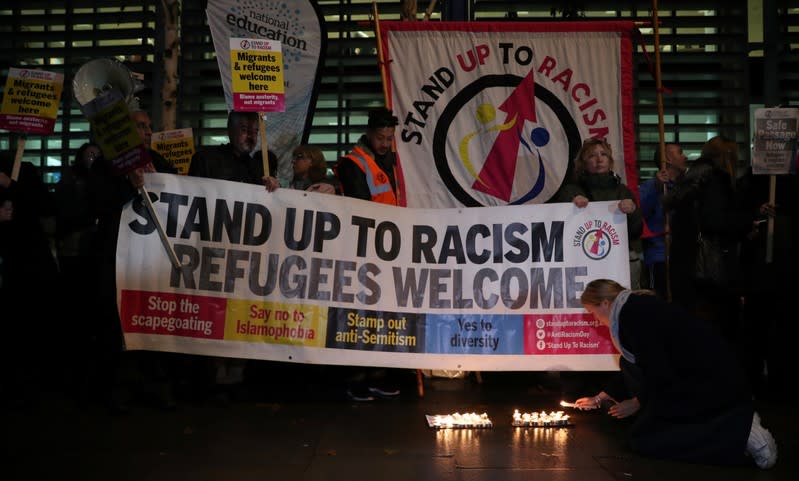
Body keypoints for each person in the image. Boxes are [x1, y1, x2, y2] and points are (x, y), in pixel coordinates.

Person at [575, 278, 777, 469]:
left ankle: (742, 432)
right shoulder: (634, 307)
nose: (596, 320)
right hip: (700, 377)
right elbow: (640, 363)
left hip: (705, 383)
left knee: (645, 441)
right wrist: (602, 396)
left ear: (605, 303)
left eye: (592, 313)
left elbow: (656, 366)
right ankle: (735, 427)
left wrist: (638, 402)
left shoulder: (633, 316)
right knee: (641, 434)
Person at [188, 110, 278, 403]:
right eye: (244, 128)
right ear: (229, 131)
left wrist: (274, 190)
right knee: (214, 313)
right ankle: (214, 377)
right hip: (213, 251)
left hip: (247, 256)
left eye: (254, 130)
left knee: (242, 314)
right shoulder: (207, 159)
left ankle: (236, 377)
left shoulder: (263, 164)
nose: (250, 135)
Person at [662, 135, 774, 343]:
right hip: (710, 265)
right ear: (727, 156)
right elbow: (717, 220)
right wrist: (749, 221)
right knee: (720, 327)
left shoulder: (691, 180)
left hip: (685, 264)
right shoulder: (715, 179)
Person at [335, 107, 404, 401]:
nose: (386, 143)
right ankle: (356, 379)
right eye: (381, 138)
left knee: (385, 315)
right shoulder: (354, 163)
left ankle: (378, 374)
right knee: (360, 316)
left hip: (391, 249)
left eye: (389, 138)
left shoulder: (395, 161)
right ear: (369, 134)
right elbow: (359, 207)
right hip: (364, 250)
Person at [556, 138, 644, 288]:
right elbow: (556, 221)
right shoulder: (572, 189)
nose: (599, 159)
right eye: (592, 156)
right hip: (585, 260)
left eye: (603, 154)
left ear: (609, 161)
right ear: (583, 164)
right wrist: (571, 201)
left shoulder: (623, 190)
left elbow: (636, 231)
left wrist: (633, 212)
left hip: (621, 259)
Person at [639, 143, 687, 299]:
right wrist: (657, 189)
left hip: (683, 254)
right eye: (680, 152)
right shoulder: (650, 186)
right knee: (659, 300)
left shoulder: (687, 187)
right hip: (659, 254)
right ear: (668, 159)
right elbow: (640, 215)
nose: (685, 157)